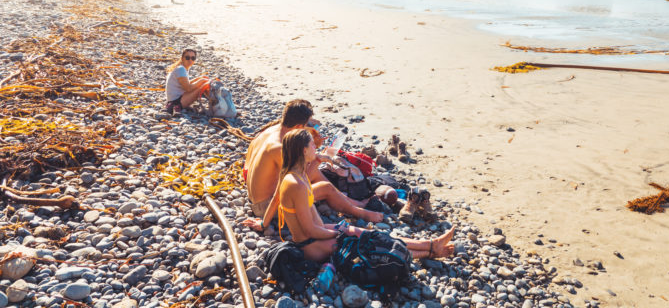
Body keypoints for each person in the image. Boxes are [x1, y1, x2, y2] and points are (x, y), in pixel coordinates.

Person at [273, 129, 456, 261]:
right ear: (304, 151)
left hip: (318, 234)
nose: (316, 147)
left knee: (372, 236)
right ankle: (431, 250)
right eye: (312, 145)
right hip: (312, 246)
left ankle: (430, 245)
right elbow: (309, 230)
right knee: (372, 245)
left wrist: (322, 158)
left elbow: (312, 223)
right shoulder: (295, 184)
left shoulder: (297, 174)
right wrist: (339, 231)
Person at [243, 100, 383, 229]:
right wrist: (263, 224)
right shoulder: (280, 148)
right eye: (305, 126)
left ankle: (349, 201)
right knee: (326, 187)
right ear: (298, 126)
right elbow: (294, 184)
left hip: (255, 194)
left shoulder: (271, 131)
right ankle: (357, 210)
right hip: (264, 206)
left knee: (313, 170)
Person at [164, 48, 209, 113]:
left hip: (176, 99)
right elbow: (188, 88)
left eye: (193, 58)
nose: (190, 60)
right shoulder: (181, 69)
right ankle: (216, 103)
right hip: (176, 102)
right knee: (203, 86)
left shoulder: (182, 68)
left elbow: (186, 84)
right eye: (187, 57)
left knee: (203, 80)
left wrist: (200, 78)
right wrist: (202, 81)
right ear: (182, 58)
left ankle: (215, 102)